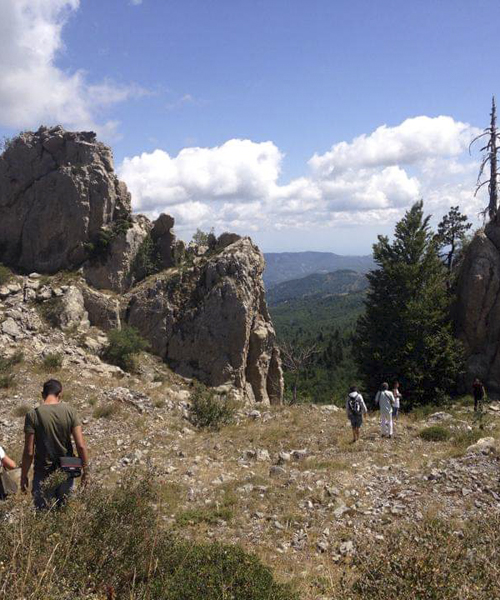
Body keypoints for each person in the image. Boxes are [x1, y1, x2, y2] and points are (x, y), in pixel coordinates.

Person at [21, 379, 89, 510]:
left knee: (44, 518)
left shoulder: (32, 415)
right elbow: (80, 446)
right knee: (65, 515)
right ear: (60, 395)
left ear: (43, 394)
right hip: (66, 472)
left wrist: (24, 476)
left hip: (43, 473)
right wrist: (86, 472)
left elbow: (29, 452)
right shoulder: (71, 412)